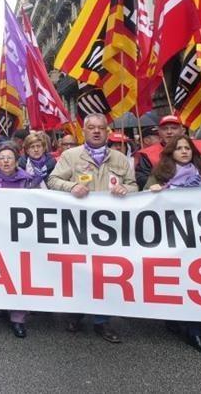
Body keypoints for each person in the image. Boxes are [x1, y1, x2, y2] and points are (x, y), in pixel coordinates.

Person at [47, 113, 135, 343]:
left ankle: (102, 321)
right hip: (78, 227)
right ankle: (76, 313)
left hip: (110, 229)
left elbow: (134, 185)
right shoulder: (71, 156)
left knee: (104, 273)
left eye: (101, 128)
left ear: (107, 131)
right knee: (79, 272)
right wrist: (71, 186)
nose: (96, 131)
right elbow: (53, 181)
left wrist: (126, 190)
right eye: (91, 128)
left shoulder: (120, 158)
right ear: (83, 131)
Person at [144, 137, 201, 355]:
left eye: (187, 148)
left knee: (194, 278)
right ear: (171, 153)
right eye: (179, 148)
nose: (184, 152)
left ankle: (195, 331)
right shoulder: (160, 174)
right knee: (174, 278)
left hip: (197, 233)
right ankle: (173, 318)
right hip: (169, 234)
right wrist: (151, 191)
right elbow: (143, 202)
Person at [0, 143, 41, 338]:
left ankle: (18, 318)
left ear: (17, 160)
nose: (6, 161)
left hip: (20, 235)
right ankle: (2, 306)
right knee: (0, 272)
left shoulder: (29, 180)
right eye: (2, 158)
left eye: (10, 157)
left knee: (19, 274)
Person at [135, 115, 201, 189]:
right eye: (165, 129)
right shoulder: (147, 154)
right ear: (159, 132)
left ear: (182, 130)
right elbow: (142, 179)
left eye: (174, 128)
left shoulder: (200, 151)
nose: (169, 132)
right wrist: (157, 187)